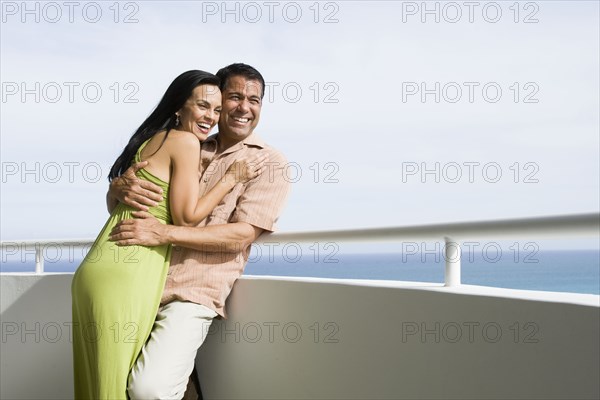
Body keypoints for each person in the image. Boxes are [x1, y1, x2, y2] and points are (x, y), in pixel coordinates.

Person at [71, 70, 265, 399]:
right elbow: (187, 218)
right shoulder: (187, 142)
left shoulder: (151, 139)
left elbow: (118, 205)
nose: (211, 116)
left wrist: (115, 188)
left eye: (216, 110)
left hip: (100, 263)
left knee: (99, 379)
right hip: (129, 268)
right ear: (179, 107)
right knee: (115, 385)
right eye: (203, 106)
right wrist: (231, 178)